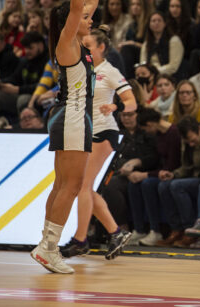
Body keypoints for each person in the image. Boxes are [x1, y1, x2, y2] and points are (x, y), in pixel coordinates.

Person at [31, 0, 109, 274]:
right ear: (70, 21)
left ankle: (45, 244)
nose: (91, 19)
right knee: (73, 186)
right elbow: (79, 6)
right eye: (85, 18)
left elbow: (87, 3)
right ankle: (50, 248)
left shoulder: (73, 41)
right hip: (75, 117)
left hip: (68, 116)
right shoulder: (67, 42)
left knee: (61, 185)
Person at [60, 25, 136, 259]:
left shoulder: (109, 71)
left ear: (102, 48)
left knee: (82, 186)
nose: (84, 49)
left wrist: (116, 106)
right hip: (84, 132)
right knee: (84, 188)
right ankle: (115, 232)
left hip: (104, 132)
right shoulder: (82, 70)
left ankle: (80, 240)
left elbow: (132, 102)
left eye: (89, 46)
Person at [126, 107, 182, 246]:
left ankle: (155, 230)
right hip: (161, 172)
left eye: (145, 129)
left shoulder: (174, 133)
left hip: (174, 173)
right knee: (134, 184)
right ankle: (139, 229)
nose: (146, 132)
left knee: (147, 183)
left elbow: (172, 165)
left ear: (150, 124)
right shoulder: (159, 134)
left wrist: (145, 174)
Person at [167, 116, 200, 248]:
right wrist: (174, 174)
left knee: (178, 186)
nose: (190, 144)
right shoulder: (186, 140)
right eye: (188, 142)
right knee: (165, 185)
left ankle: (191, 231)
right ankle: (182, 229)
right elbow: (188, 166)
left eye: (192, 140)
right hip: (196, 177)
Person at [0, 31, 48, 117]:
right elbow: (15, 78)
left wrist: (17, 89)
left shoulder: (48, 61)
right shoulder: (25, 61)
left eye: (30, 48)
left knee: (23, 99)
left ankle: (24, 128)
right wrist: (0, 82)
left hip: (40, 96)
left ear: (41, 45)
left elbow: (43, 85)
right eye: (25, 48)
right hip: (22, 92)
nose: (26, 51)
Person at [139, 11, 184, 77]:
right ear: (149, 24)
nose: (156, 23)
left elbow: (173, 66)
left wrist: (154, 72)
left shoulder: (174, 40)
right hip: (150, 76)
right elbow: (143, 64)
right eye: (153, 21)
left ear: (164, 23)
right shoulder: (146, 44)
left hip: (168, 76)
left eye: (159, 20)